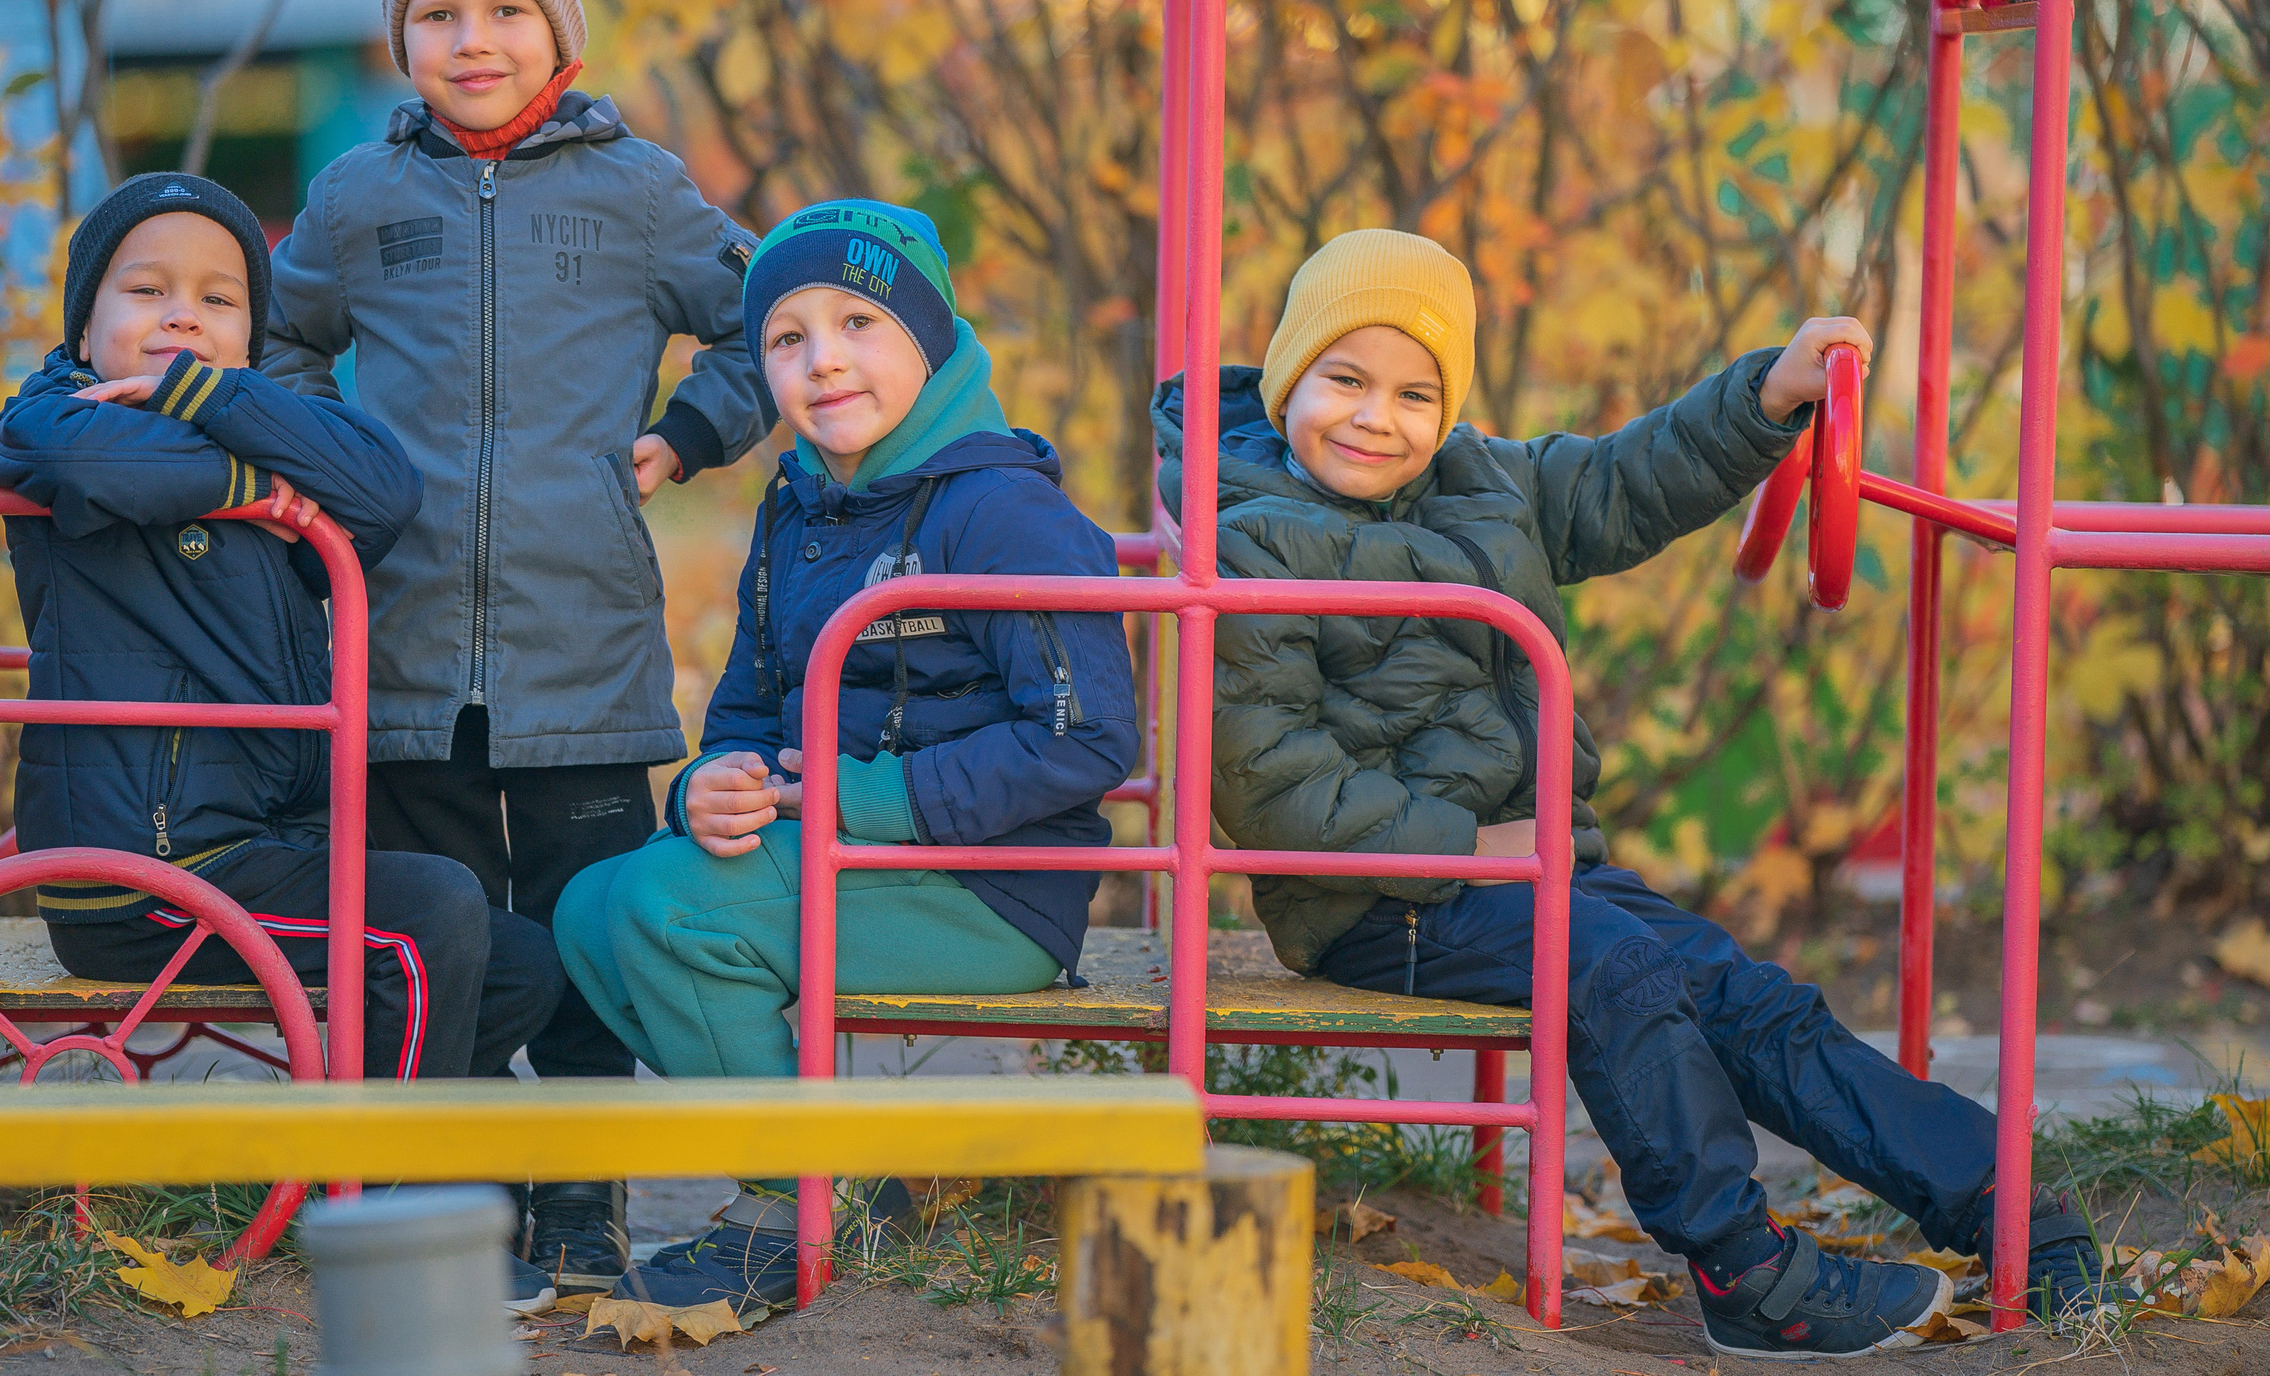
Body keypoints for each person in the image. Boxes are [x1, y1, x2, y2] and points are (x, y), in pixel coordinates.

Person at [1156, 228, 2112, 1359]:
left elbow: (1625, 480)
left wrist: (1767, 395)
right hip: (1375, 899)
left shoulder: (1479, 481)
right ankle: (1747, 1273)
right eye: (1345, 380)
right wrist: (1473, 844)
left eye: (1417, 392)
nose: (1377, 418)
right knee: (1615, 968)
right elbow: (1274, 792)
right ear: (1287, 378)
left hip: (1529, 863)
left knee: (1752, 1002)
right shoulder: (1247, 542)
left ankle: (1999, 1207)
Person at [260, 0, 778, 1289]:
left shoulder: (640, 192)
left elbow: (768, 319)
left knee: (585, 940)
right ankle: (468, 1193)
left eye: (503, 8)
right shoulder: (361, 195)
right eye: (436, 13)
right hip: (408, 634)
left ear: (559, 28)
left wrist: (687, 431)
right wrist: (319, 463)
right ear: (400, 36)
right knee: (456, 943)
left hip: (584, 644)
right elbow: (283, 336)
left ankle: (581, 1199)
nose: (471, 40)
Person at [0, 171, 567, 1314]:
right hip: (145, 870)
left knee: (520, 961)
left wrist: (214, 401)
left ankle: (365, 1167)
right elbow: (106, 468)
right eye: (144, 292)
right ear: (83, 322)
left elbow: (383, 486)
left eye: (216, 301)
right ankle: (392, 1229)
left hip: (250, 844)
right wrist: (264, 479)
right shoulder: (48, 417)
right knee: (431, 913)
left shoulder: (233, 404)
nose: (178, 318)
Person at [556, 199, 1139, 1311]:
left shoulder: (1002, 511)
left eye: (859, 322)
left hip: (987, 888)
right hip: (844, 852)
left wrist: (856, 799)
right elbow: (749, 704)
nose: (823, 361)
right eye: (787, 337)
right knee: (590, 908)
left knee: (672, 913)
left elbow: (1089, 734)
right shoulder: (801, 507)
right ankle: (846, 1191)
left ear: (928, 335)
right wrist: (705, 788)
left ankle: (789, 1212)